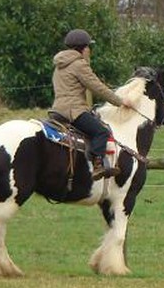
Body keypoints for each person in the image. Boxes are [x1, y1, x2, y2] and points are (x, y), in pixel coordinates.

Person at [51, 29, 130, 180]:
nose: (89, 51)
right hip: (73, 111)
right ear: (84, 48)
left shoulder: (59, 65)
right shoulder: (79, 64)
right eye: (89, 47)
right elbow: (97, 87)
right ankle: (98, 165)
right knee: (101, 132)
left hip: (57, 110)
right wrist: (120, 102)